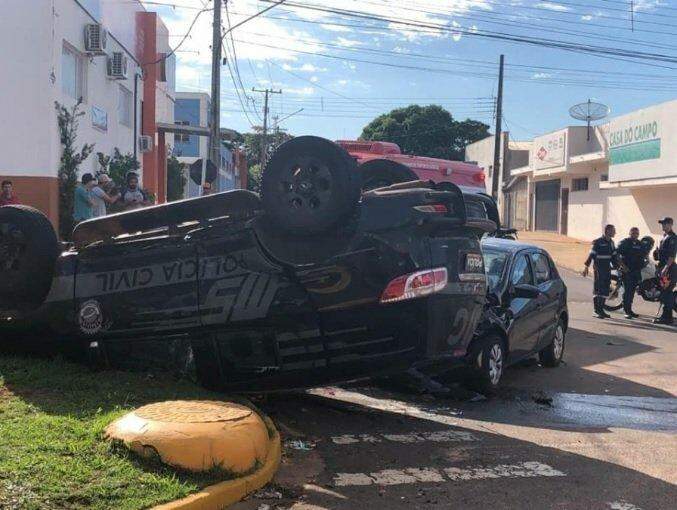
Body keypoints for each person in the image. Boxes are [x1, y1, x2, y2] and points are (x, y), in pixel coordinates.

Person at [583, 224, 617, 319]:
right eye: (613, 230)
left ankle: (601, 309)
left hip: (607, 269)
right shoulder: (598, 242)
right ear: (607, 231)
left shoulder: (611, 243)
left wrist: (617, 266)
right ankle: (596, 310)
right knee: (598, 289)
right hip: (598, 269)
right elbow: (591, 255)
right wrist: (586, 267)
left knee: (605, 289)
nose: (615, 232)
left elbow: (614, 256)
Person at [616, 227, 644, 319]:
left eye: (637, 233)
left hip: (636, 271)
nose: (635, 235)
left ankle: (629, 310)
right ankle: (626, 311)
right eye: (633, 233)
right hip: (627, 270)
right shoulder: (625, 242)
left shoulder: (640, 244)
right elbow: (616, 254)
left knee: (632, 291)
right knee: (627, 291)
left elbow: (644, 255)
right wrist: (623, 266)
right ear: (629, 233)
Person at [653, 217, 676, 325]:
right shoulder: (664, 237)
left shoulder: (672, 238)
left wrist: (666, 268)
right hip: (663, 268)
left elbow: (672, 256)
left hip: (669, 269)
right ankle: (666, 317)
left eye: (665, 223)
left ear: (671, 224)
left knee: (667, 292)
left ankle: (667, 318)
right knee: (664, 292)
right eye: (662, 223)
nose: (662, 225)